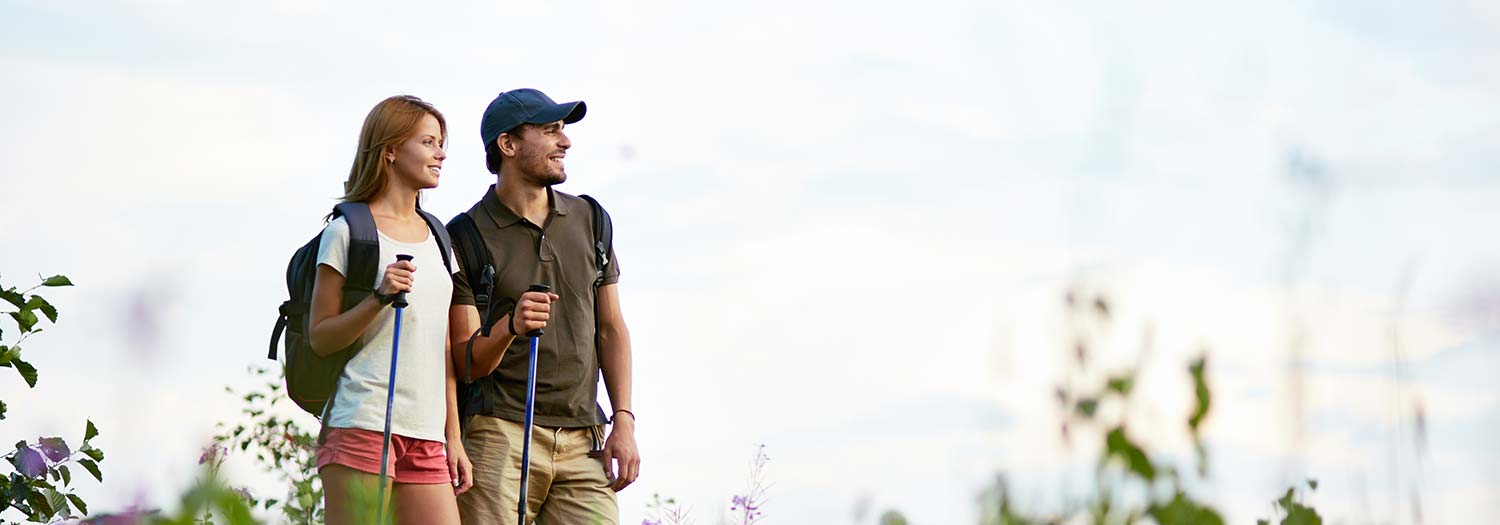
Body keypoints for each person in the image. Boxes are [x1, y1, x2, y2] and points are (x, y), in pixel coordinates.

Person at [449, 88, 638, 525]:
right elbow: (464, 360)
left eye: (564, 131)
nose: (565, 142)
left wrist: (624, 419)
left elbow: (610, 328)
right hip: (499, 437)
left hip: (585, 440)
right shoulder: (465, 234)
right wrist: (510, 326)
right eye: (550, 130)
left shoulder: (592, 219)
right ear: (508, 145)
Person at [307, 95, 473, 525]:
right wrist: (378, 298)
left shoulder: (440, 239)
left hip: (427, 436)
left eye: (442, 143)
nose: (441, 153)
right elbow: (321, 336)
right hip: (362, 423)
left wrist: (452, 436)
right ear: (391, 150)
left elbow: (441, 348)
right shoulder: (346, 233)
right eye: (429, 142)